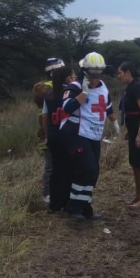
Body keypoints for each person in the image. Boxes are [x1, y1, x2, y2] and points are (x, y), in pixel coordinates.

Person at [47, 52, 116, 220]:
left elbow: (107, 106)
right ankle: (74, 207)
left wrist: (114, 122)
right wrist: (83, 94)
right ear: (84, 71)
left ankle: (84, 207)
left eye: (98, 73)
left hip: (94, 135)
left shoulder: (103, 87)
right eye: (92, 73)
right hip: (75, 134)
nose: (95, 77)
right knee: (87, 168)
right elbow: (67, 108)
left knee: (93, 172)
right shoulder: (74, 87)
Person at [117, 61, 140, 209]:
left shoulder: (138, 87)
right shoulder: (130, 87)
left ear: (128, 73)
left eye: (120, 73)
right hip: (133, 128)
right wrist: (129, 131)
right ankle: (138, 196)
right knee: (134, 163)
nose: (118, 76)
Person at [42, 64, 76, 214]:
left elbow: (44, 116)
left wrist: (47, 134)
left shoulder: (48, 94)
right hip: (67, 135)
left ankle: (54, 205)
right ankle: (67, 203)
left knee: (56, 170)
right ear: (67, 78)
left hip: (53, 135)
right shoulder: (69, 93)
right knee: (69, 169)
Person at [34, 57, 66, 205]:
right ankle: (47, 193)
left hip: (56, 131)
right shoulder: (46, 88)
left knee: (58, 164)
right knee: (50, 165)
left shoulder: (53, 87)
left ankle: (57, 191)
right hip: (49, 133)